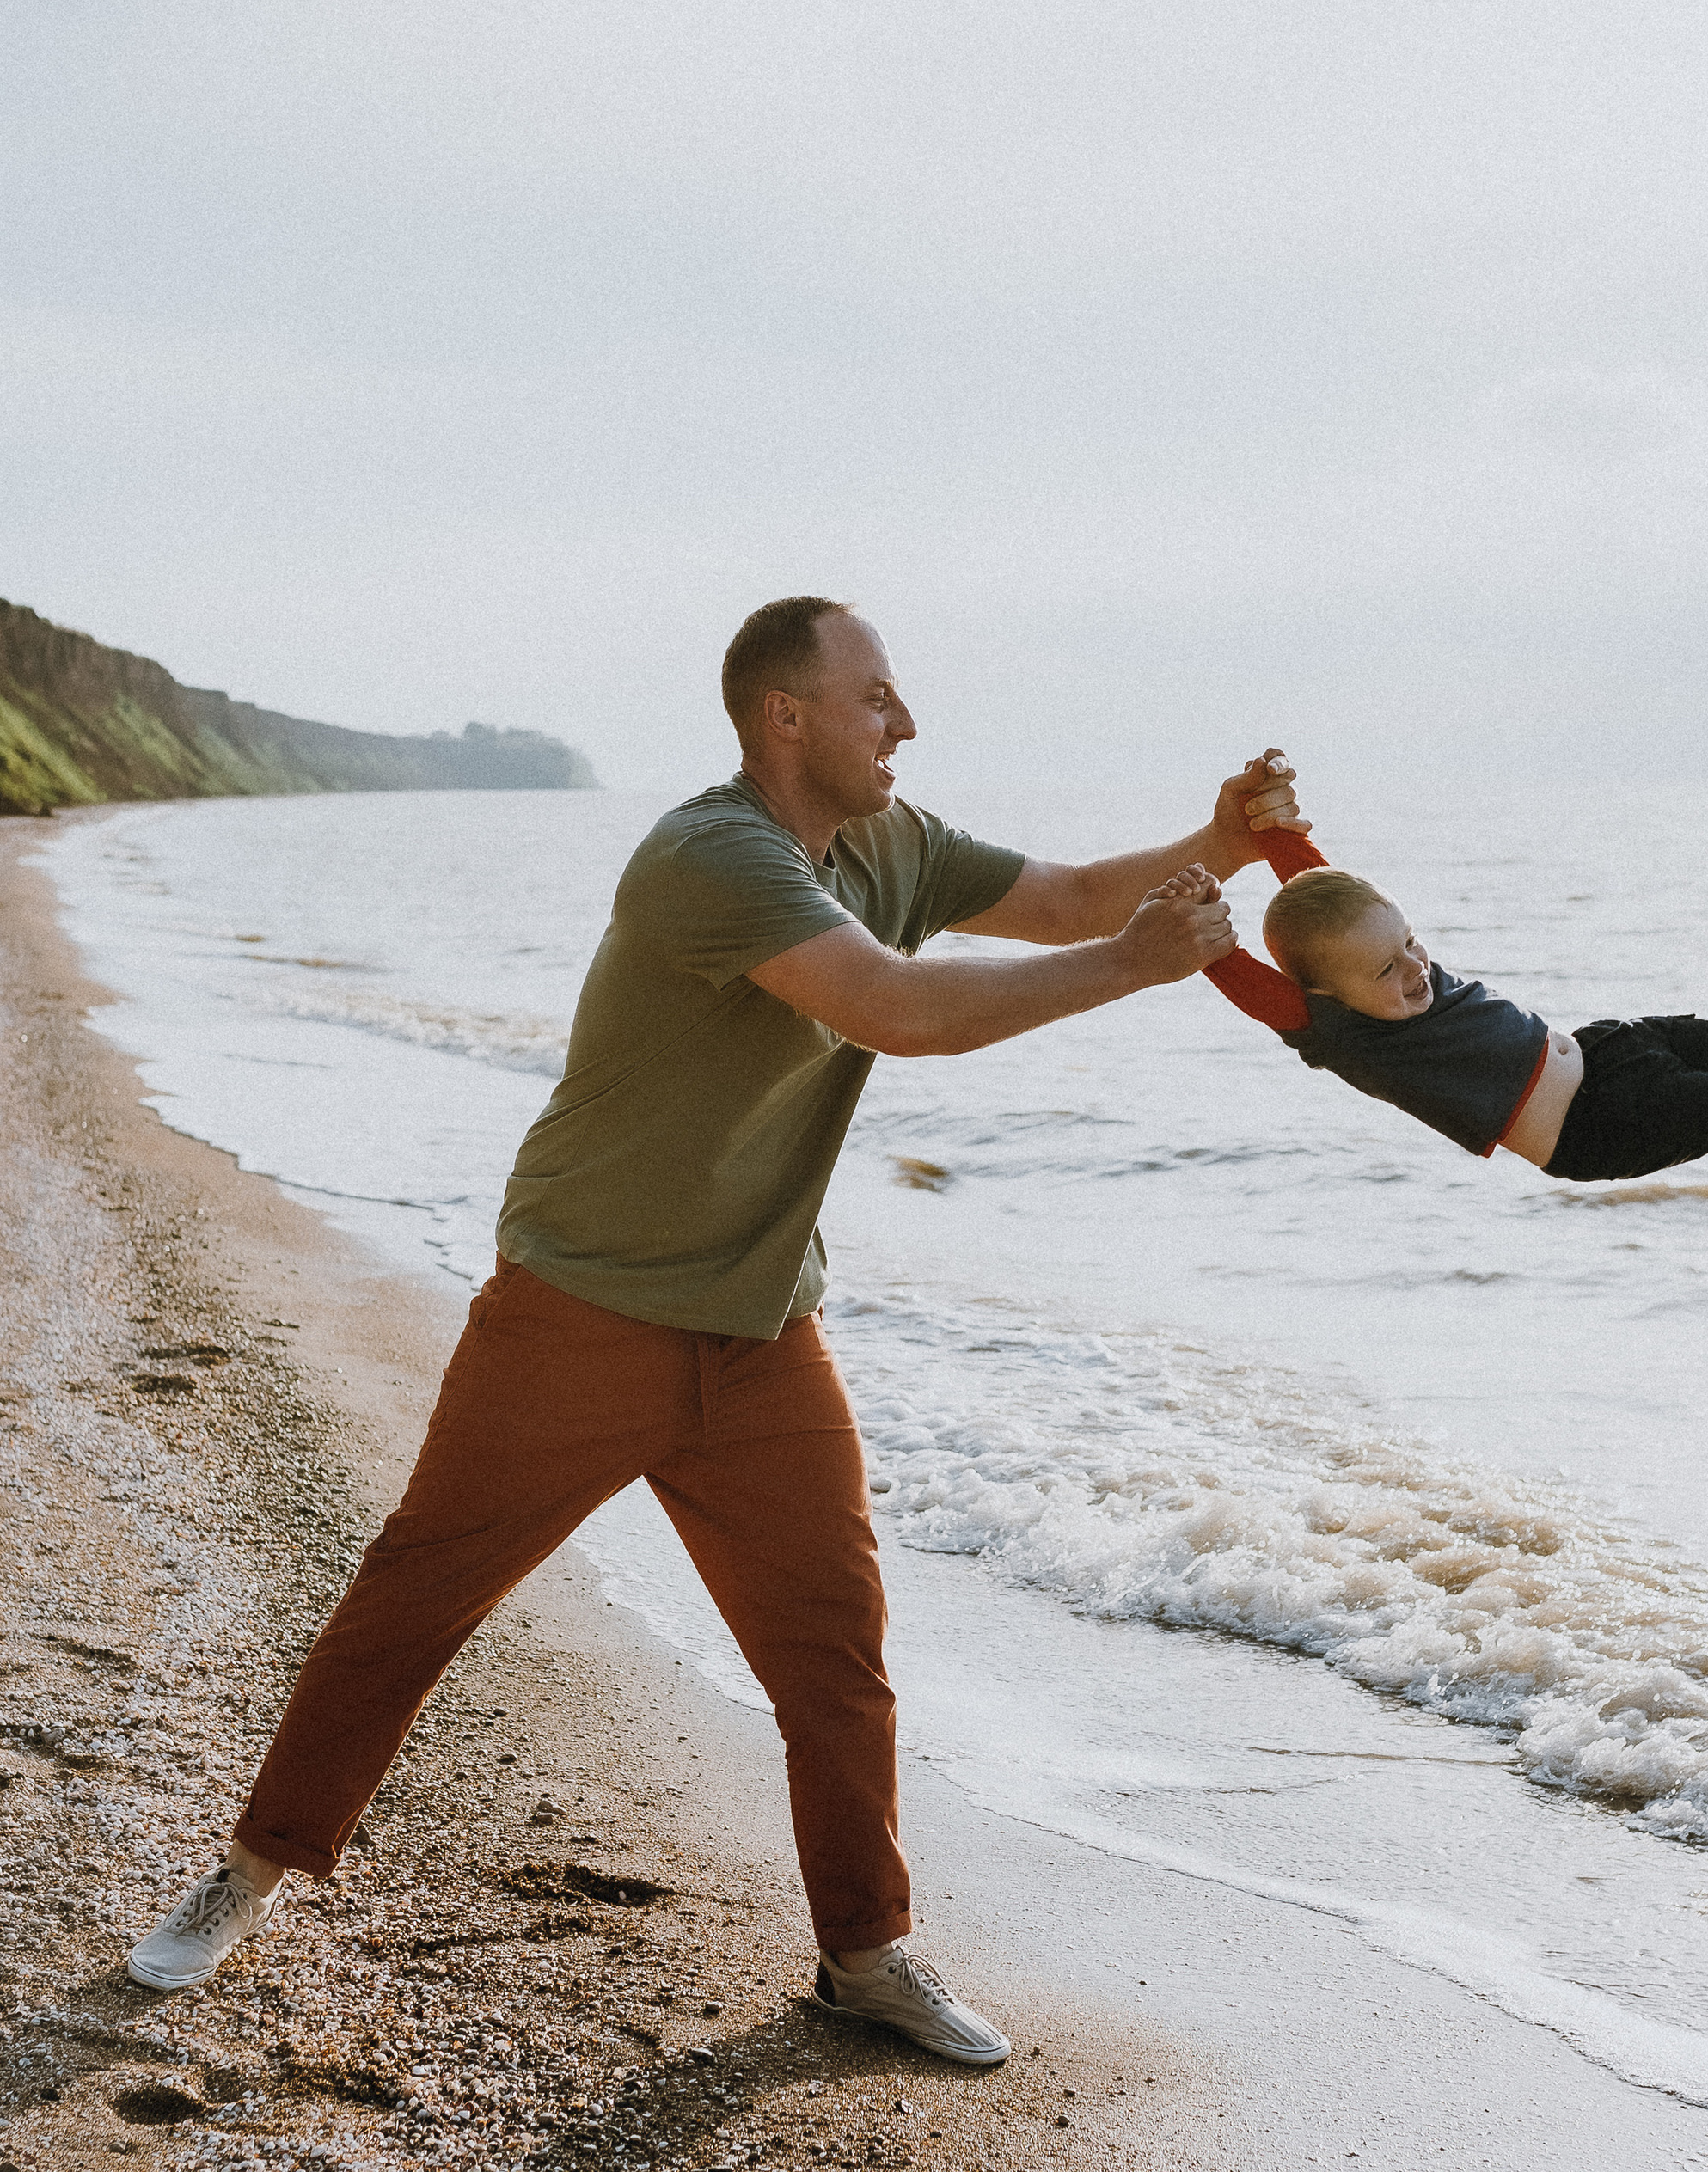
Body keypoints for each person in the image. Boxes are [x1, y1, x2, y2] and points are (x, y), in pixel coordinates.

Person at [129, 598, 1304, 2064]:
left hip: (758, 1329)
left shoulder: (893, 843)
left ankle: (867, 1956)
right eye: (878, 697)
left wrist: (1231, 842)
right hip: (583, 1311)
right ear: (785, 717)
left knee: (834, 1651)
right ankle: (251, 1868)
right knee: (414, 1598)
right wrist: (1138, 963)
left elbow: (1067, 898)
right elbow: (896, 1010)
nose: (908, 722)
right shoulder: (708, 857)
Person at [1207, 825, 1708, 1210]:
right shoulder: (1347, 1035)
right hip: (1587, 1129)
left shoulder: (1380, 955)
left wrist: (1272, 830)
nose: (1415, 967)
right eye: (1388, 970)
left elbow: (1326, 892)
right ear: (1327, 999)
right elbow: (1265, 991)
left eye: (1411, 943)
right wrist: (1201, 943)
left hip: (1601, 1053)